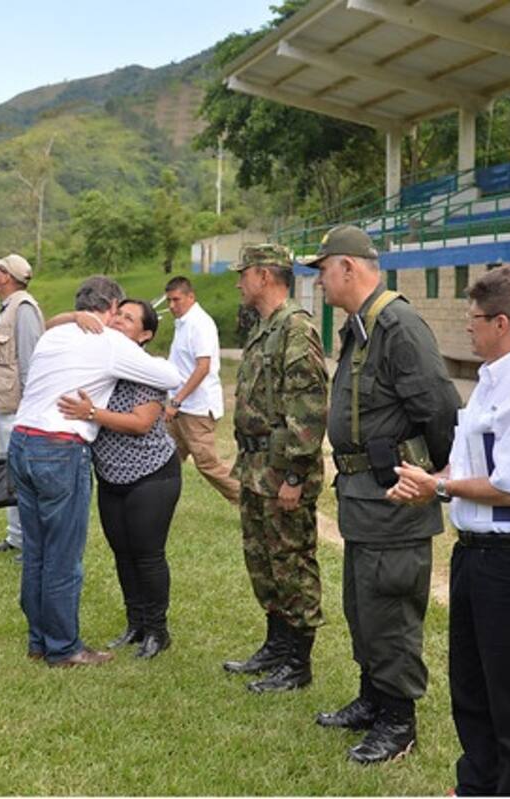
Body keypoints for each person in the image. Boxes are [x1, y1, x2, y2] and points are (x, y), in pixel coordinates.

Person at [391, 267, 510, 792]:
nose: (467, 328)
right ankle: (477, 784)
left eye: (473, 318)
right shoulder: (494, 379)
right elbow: (473, 465)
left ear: (501, 322)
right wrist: (429, 480)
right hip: (478, 556)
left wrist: (440, 489)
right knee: (472, 689)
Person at [302, 225, 460, 764]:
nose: (320, 281)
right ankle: (373, 697)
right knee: (363, 605)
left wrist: (422, 474)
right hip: (363, 498)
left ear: (349, 267)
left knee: (389, 609)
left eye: (323, 269)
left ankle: (398, 721)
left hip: (392, 498)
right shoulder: (361, 325)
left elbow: (439, 408)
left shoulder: (397, 324)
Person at [8, 276, 181, 668]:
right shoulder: (108, 340)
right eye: (116, 313)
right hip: (58, 448)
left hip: (22, 443)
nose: (118, 320)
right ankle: (64, 647)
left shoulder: (55, 334)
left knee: (35, 550)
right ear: (109, 307)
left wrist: (72, 316)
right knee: (63, 557)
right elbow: (171, 378)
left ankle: (39, 640)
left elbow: (52, 323)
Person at [222, 244, 328, 694]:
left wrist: (294, 476)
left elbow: (307, 408)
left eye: (244, 273)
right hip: (255, 464)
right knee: (264, 561)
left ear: (265, 276)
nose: (239, 281)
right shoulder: (265, 326)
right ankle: (276, 645)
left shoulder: (296, 328)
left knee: (291, 563)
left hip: (281, 468)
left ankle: (297, 663)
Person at [54, 300, 182, 659]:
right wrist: (75, 315)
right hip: (111, 475)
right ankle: (135, 624)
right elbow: (50, 325)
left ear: (145, 335)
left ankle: (157, 630)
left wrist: (91, 412)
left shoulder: (149, 369)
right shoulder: (101, 358)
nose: (120, 321)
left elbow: (142, 424)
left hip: (151, 474)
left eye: (129, 319)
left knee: (147, 554)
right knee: (122, 553)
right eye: (118, 314)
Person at [0, 253, 43, 559]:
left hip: (19, 408)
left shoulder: (24, 309)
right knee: (10, 473)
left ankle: (30, 542)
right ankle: (16, 537)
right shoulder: (9, 307)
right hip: (7, 406)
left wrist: (30, 407)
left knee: (22, 477)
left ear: (7, 276)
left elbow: (30, 361)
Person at [163, 276, 240, 505]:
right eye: (168, 300)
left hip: (196, 408)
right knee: (167, 458)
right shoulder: (184, 323)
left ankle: (248, 501)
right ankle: (159, 503)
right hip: (180, 407)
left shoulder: (200, 324)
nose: (171, 306)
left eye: (176, 300)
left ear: (190, 297)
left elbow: (203, 367)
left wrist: (177, 401)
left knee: (207, 464)